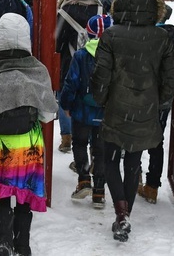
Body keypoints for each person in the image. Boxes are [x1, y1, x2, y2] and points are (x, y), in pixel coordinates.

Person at [91, 0, 174, 242]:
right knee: (132, 164)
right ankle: (125, 213)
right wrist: (157, 100)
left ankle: (120, 213)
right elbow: (171, 79)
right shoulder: (162, 37)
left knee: (109, 160)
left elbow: (101, 75)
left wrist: (102, 99)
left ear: (120, 5)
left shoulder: (111, 35)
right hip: (145, 110)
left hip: (116, 108)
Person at [0, 13, 58, 256]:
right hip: (28, 144)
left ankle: (3, 242)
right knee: (24, 198)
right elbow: (48, 115)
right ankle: (23, 245)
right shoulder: (37, 70)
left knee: (0, 197)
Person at [60, 14, 113, 209]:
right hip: (105, 111)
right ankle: (99, 190)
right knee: (101, 150)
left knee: (80, 143)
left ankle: (83, 180)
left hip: (82, 110)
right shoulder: (113, 55)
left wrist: (66, 105)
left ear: (89, 34)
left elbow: (70, 83)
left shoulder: (81, 56)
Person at [137, 4, 174, 204]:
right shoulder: (172, 37)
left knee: (135, 136)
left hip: (143, 96)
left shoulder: (146, 36)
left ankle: (134, 176)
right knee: (157, 142)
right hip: (162, 100)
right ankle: (152, 187)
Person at [55, 0, 102, 154]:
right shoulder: (99, 7)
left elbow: (57, 42)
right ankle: (92, 139)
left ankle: (67, 136)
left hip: (70, 61)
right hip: (96, 63)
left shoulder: (65, 10)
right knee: (91, 97)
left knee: (65, 95)